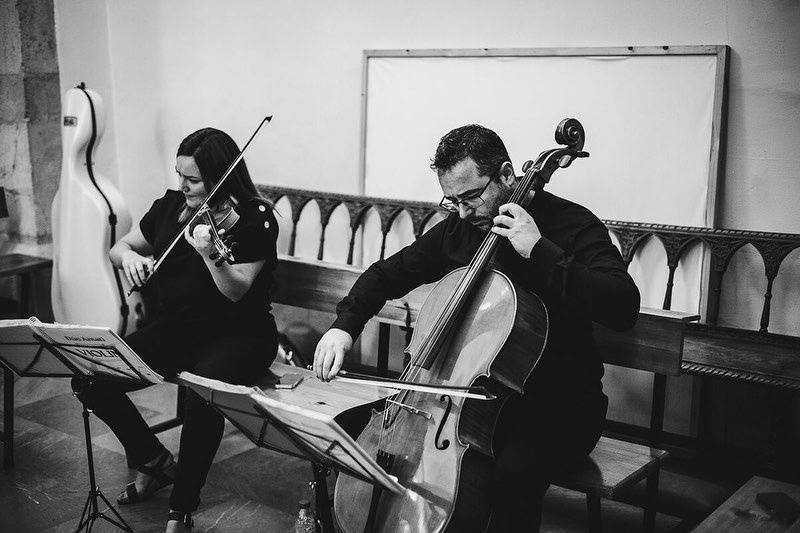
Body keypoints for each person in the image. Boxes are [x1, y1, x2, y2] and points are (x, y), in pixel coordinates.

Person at [313, 124, 640, 531]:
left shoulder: (572, 225)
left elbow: (623, 305)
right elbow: (386, 274)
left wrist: (539, 250)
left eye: (471, 197)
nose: (465, 213)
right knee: (348, 430)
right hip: (472, 398)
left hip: (560, 403)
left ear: (506, 175)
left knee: (513, 470)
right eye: (453, 202)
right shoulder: (463, 227)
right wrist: (344, 327)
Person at [72, 127, 279, 532]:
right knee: (90, 377)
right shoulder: (170, 207)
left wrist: (209, 253)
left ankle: (180, 511)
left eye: (193, 179)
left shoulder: (254, 218)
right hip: (181, 329)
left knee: (202, 391)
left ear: (220, 176)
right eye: (179, 175)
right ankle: (152, 459)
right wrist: (128, 258)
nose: (181, 185)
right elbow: (120, 247)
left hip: (241, 334)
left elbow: (236, 293)